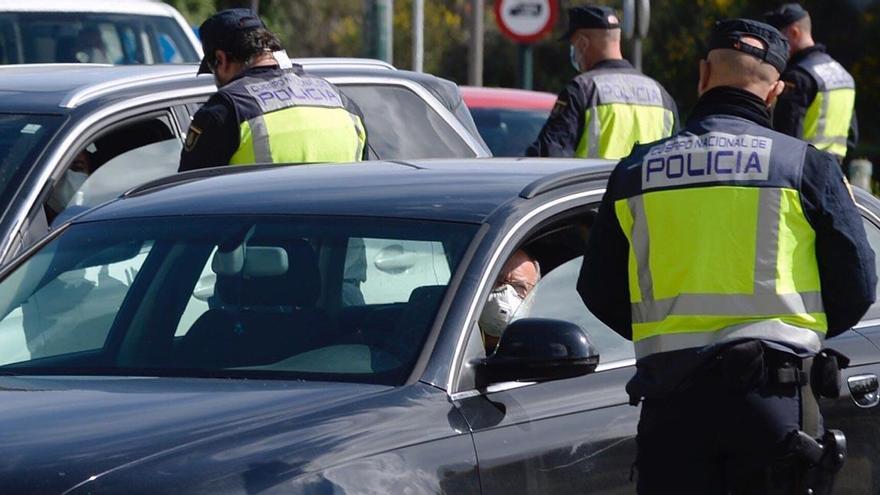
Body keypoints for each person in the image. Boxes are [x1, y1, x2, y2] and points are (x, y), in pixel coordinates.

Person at [579, 18, 875, 494]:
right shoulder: (803, 166)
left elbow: (597, 288)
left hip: (673, 406)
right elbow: (858, 283)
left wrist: (667, 338)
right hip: (775, 405)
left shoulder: (636, 171)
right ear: (776, 91)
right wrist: (795, 331)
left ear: (702, 75)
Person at [179, 9, 367, 172]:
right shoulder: (340, 101)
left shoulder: (225, 110)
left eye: (212, 69)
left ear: (221, 59)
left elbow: (183, 198)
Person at [526, 5, 678, 160]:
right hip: (643, 185)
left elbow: (548, 155)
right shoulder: (661, 94)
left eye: (573, 45)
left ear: (583, 44)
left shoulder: (582, 90)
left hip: (593, 185)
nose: (573, 52)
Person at [765, 3, 857, 162]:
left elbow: (788, 140)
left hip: (804, 174)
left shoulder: (798, 77)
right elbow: (852, 136)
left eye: (777, 38)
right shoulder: (843, 74)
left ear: (794, 32)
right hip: (834, 172)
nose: (774, 47)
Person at [479, 249, 540, 350]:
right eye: (499, 281)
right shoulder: (456, 334)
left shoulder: (534, 355)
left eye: (519, 287)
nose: (506, 292)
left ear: (531, 300)